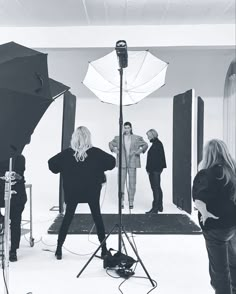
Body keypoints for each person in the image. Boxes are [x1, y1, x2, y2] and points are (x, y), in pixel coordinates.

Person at [48, 126, 116, 260]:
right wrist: (98, 168)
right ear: (88, 137)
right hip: (92, 191)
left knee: (67, 218)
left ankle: (59, 249)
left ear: (74, 138)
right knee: (97, 218)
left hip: (72, 192)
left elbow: (52, 164)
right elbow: (112, 162)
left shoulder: (67, 154)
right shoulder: (96, 153)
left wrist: (65, 168)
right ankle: (103, 250)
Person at [192, 139, 236, 294]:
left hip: (215, 228)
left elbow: (199, 199)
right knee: (233, 263)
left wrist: (204, 213)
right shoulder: (232, 170)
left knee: (219, 271)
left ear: (208, 153)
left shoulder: (205, 174)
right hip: (232, 224)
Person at [109, 121, 148, 209]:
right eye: (125, 127)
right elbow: (110, 143)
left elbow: (145, 145)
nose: (126, 129)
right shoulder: (118, 138)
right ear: (123, 128)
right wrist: (114, 150)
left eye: (128, 127)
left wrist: (138, 152)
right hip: (122, 163)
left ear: (131, 128)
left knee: (132, 183)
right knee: (121, 183)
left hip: (132, 162)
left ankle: (131, 201)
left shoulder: (136, 138)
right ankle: (121, 201)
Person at [0, 155, 27, 262]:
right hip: (1, 191)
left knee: (15, 220)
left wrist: (16, 176)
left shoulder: (19, 158)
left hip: (16, 194)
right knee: (12, 220)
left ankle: (13, 250)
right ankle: (2, 219)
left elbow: (20, 175)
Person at [145, 129, 166, 214]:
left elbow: (154, 160)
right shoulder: (157, 143)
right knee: (157, 188)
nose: (148, 137)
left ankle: (155, 208)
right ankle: (159, 206)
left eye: (149, 136)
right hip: (156, 170)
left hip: (154, 170)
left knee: (155, 188)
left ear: (153, 135)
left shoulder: (157, 144)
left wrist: (149, 170)